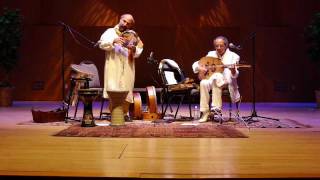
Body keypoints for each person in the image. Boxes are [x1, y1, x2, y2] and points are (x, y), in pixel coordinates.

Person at [98, 14, 143, 120]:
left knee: (127, 88)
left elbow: (139, 48)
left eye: (128, 23)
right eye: (124, 21)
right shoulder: (110, 32)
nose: (125, 24)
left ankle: (125, 114)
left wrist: (134, 49)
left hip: (128, 66)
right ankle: (114, 113)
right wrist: (113, 41)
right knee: (114, 87)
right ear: (120, 19)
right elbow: (101, 44)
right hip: (114, 65)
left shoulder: (133, 35)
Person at [192, 36, 240, 123]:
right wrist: (199, 68)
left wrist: (233, 70)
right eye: (216, 46)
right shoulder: (211, 54)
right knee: (203, 82)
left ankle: (215, 108)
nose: (218, 48)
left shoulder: (234, 56)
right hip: (214, 81)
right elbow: (196, 64)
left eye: (221, 46)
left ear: (226, 46)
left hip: (227, 81)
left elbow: (235, 75)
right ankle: (206, 112)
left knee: (217, 75)